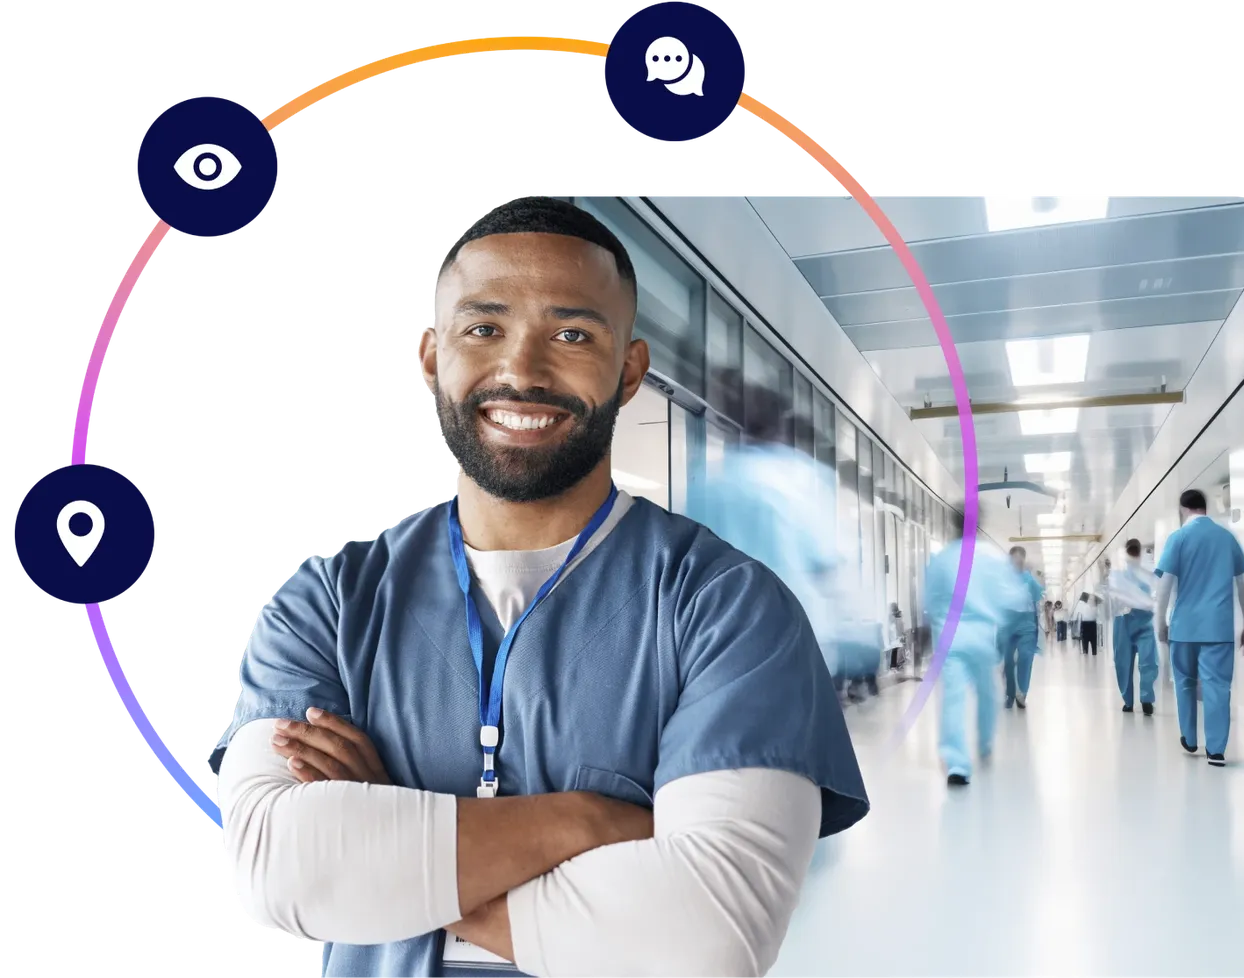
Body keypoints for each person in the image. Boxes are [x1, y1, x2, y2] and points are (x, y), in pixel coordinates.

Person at [208, 195, 870, 978]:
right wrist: (587, 821)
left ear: (628, 371)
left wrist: (396, 840)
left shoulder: (729, 609)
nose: (521, 370)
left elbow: (706, 939)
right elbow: (274, 871)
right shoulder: (327, 601)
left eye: (572, 334)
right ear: (429, 355)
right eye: (483, 328)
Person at [684, 371, 857, 698]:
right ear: (781, 426)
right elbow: (828, 562)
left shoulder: (707, 486)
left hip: (727, 645)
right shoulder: (803, 479)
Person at [1154, 488, 1244, 766]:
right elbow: (1243, 586)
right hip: (1219, 628)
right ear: (1204, 507)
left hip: (1184, 627)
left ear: (1183, 509)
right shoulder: (1226, 537)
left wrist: (1160, 621)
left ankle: (1189, 737)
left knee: (1184, 682)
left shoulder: (1178, 538)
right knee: (1218, 686)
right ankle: (1216, 750)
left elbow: (1164, 586)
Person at [926, 529, 1028, 785]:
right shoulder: (991, 558)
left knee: (953, 697)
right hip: (982, 636)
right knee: (988, 693)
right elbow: (1013, 596)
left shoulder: (943, 558)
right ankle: (984, 744)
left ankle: (957, 764)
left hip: (950, 636)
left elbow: (928, 597)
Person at [1106, 539, 1159, 715]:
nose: (1135, 554)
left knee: (1148, 661)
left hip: (1145, 621)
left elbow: (1157, 592)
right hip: (1124, 621)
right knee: (1123, 663)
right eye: (1132, 551)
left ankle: (1146, 699)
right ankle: (1127, 700)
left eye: (1137, 551)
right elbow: (1114, 596)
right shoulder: (1118, 572)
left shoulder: (1149, 570)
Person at [1000, 546, 1044, 709]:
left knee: (1026, 656)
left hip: (1026, 623)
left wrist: (1031, 576)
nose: (1018, 561)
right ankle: (1010, 694)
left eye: (1020, 558)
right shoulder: (1003, 577)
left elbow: (1038, 594)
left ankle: (1022, 693)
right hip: (1008, 622)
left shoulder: (1028, 578)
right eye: (1015, 558)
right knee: (1009, 661)